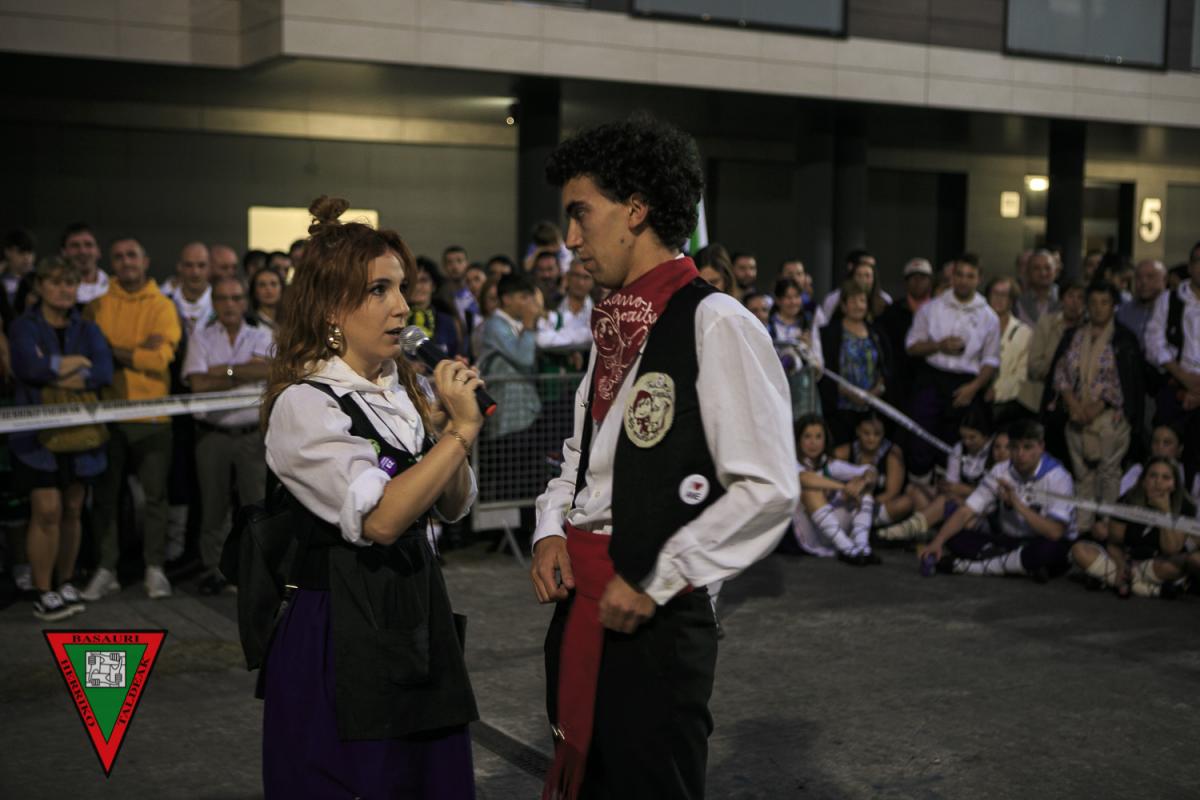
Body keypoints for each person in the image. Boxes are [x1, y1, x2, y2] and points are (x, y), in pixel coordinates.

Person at [531, 115, 797, 800]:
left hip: (657, 621)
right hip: (583, 605)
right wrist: (551, 527)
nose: (570, 240)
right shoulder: (615, 325)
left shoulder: (718, 322)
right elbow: (582, 456)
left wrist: (660, 575)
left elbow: (768, 486)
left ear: (636, 210)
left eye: (580, 214)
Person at [259, 195, 480, 798]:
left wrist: (446, 433)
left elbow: (452, 505)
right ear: (331, 307)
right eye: (379, 290)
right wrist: (459, 434)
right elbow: (381, 520)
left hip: (413, 610)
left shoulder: (400, 389)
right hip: (341, 629)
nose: (401, 306)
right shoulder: (305, 404)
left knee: (428, 781)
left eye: (401, 287)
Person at [9, 257, 113, 620]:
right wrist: (76, 362)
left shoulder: (88, 328)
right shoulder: (23, 326)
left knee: (72, 509)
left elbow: (103, 371)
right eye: (55, 282)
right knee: (47, 511)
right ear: (40, 286)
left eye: (70, 283)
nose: (63, 290)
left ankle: (66, 581)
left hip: (80, 437)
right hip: (36, 439)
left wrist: (52, 369)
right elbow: (27, 367)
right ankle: (44, 590)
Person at [80, 237, 182, 601]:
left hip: (152, 416)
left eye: (132, 255)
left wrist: (111, 350)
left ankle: (155, 568)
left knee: (156, 497)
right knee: (105, 498)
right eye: (119, 256)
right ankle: (106, 568)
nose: (126, 262)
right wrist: (137, 351)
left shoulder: (163, 306)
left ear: (145, 260)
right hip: (107, 415)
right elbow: (94, 358)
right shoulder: (96, 306)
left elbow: (159, 360)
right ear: (112, 263)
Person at [183, 276, 273, 594]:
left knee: (256, 507)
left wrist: (223, 370)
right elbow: (198, 384)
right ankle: (216, 570)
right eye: (222, 298)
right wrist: (245, 370)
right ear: (214, 304)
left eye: (236, 298)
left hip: (252, 436)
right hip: (213, 435)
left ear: (245, 302)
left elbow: (270, 371)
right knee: (214, 508)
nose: (230, 304)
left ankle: (257, 570)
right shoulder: (201, 337)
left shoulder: (263, 336)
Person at [919, 419, 1076, 582]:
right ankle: (1016, 565)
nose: (1020, 454)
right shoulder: (1001, 470)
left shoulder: (1059, 477)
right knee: (953, 536)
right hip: (1009, 542)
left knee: (1050, 550)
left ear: (1041, 447)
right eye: (1014, 447)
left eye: (1027, 447)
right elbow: (967, 510)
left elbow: (1055, 532)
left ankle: (969, 567)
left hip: (1039, 541)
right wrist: (937, 542)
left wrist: (1017, 504)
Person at [1047, 281, 1144, 533]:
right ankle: (1082, 528)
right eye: (1093, 302)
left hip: (1110, 419)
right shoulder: (1073, 336)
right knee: (1083, 477)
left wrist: (1097, 407)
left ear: (1113, 306)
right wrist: (1073, 404)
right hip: (1075, 416)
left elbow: (1125, 382)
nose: (1098, 308)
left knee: (1109, 474)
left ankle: (1108, 528)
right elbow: (1060, 373)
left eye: (1105, 303)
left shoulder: (1123, 339)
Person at [905, 258, 1000, 481]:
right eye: (959, 275)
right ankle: (919, 490)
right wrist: (938, 345)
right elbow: (911, 346)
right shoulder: (931, 308)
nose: (964, 281)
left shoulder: (989, 316)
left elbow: (991, 360)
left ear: (978, 279)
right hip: (932, 377)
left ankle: (946, 490)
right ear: (952, 277)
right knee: (920, 436)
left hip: (966, 382)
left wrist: (974, 388)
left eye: (970, 276)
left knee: (954, 442)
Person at [1071, 457, 1195, 598]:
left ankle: (1114, 581)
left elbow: (1171, 549)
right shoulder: (1128, 500)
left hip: (1157, 564)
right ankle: (1151, 589)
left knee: (1175, 566)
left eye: (1166, 478)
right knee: (1079, 550)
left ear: (1174, 484)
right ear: (1143, 481)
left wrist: (1165, 511)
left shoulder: (1185, 507)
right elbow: (1114, 543)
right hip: (1126, 558)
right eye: (1153, 476)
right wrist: (1121, 565)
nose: (1158, 482)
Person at [876, 405, 996, 544]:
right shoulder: (959, 448)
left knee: (946, 502)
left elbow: (994, 497)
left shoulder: (996, 452)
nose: (967, 442)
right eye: (964, 437)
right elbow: (952, 486)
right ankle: (921, 531)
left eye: (972, 438)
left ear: (986, 435)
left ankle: (907, 530)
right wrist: (952, 490)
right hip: (958, 501)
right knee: (914, 490)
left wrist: (965, 490)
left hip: (984, 511)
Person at [792, 414, 879, 565]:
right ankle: (847, 549)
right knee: (811, 490)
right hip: (807, 535)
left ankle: (862, 547)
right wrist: (844, 487)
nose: (813, 443)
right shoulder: (792, 462)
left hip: (832, 530)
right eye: (807, 437)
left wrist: (862, 481)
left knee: (864, 489)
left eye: (818, 437)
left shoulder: (828, 463)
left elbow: (870, 471)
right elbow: (804, 478)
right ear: (798, 440)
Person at [1145, 249, 1200, 474]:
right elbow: (1153, 343)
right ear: (1190, 266)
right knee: (1165, 456)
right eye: (1198, 261)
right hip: (1174, 386)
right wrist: (1184, 378)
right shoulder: (1169, 299)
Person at [817, 279, 892, 444]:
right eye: (853, 301)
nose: (858, 305)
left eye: (862, 300)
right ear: (843, 305)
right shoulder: (828, 334)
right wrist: (851, 394)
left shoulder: (877, 333)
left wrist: (875, 392)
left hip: (871, 409)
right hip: (840, 410)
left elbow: (886, 367)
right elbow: (825, 371)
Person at [833, 414, 924, 534]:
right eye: (866, 433)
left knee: (905, 502)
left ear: (884, 433)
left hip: (877, 505)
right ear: (858, 431)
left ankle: (868, 527)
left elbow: (892, 493)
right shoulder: (845, 450)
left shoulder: (893, 454)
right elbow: (825, 469)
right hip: (848, 504)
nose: (871, 438)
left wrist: (864, 504)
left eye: (877, 434)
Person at [878, 257, 933, 419]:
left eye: (922, 278)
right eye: (913, 278)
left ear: (930, 281)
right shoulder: (891, 312)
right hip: (899, 383)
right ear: (905, 282)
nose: (918, 282)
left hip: (930, 381)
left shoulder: (939, 311)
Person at [769, 278, 820, 420]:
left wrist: (807, 349)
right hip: (777, 389)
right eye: (788, 297)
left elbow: (818, 363)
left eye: (796, 297)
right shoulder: (769, 325)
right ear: (778, 300)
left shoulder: (808, 323)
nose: (793, 302)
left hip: (803, 390)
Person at [984, 276, 1032, 426]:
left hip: (1007, 406)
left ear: (1012, 300)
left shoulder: (1024, 333)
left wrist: (997, 391)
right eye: (995, 293)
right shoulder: (975, 327)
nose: (998, 299)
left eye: (1004, 295)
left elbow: (1022, 375)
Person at [407, 259, 466, 360]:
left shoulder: (448, 321)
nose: (417, 286)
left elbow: (456, 356)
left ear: (433, 286)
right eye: (413, 281)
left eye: (423, 280)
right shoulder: (396, 319)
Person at [161, 242, 213, 335]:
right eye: (189, 265)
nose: (195, 272)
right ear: (179, 267)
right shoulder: (162, 298)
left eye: (201, 265)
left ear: (210, 268)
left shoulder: (221, 300)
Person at [1116, 258, 1165, 349]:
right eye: (1138, 277)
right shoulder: (1122, 312)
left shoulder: (1174, 311)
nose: (1143, 282)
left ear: (1164, 280)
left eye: (1150, 277)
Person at [60, 223, 108, 305]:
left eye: (88, 245)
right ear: (64, 252)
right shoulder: (55, 292)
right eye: (75, 246)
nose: (83, 251)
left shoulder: (114, 287)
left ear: (98, 251)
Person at [1014, 249, 1059, 327]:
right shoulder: (1018, 302)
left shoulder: (1065, 298)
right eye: (1036, 268)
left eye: (1048, 268)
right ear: (1029, 272)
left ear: (1055, 271)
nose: (1043, 273)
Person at [250, 264, 286, 330]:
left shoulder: (291, 321)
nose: (268, 289)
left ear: (282, 289)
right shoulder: (249, 324)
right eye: (262, 285)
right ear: (254, 291)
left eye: (273, 284)